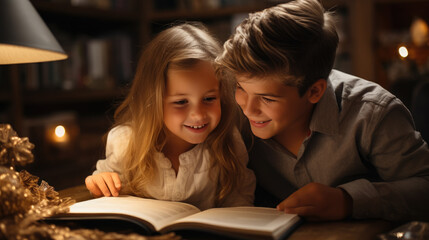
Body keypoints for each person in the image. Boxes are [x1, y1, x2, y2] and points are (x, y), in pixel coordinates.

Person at [215, 0, 429, 221]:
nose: (248, 109)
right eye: (240, 87)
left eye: (267, 98)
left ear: (314, 91)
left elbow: (424, 186)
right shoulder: (228, 111)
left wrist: (348, 200)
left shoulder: (373, 113)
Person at [85, 23, 255, 210]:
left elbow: (239, 204)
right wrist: (99, 183)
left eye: (209, 98)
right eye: (181, 102)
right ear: (153, 100)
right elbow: (106, 190)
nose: (198, 115)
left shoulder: (227, 141)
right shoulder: (126, 141)